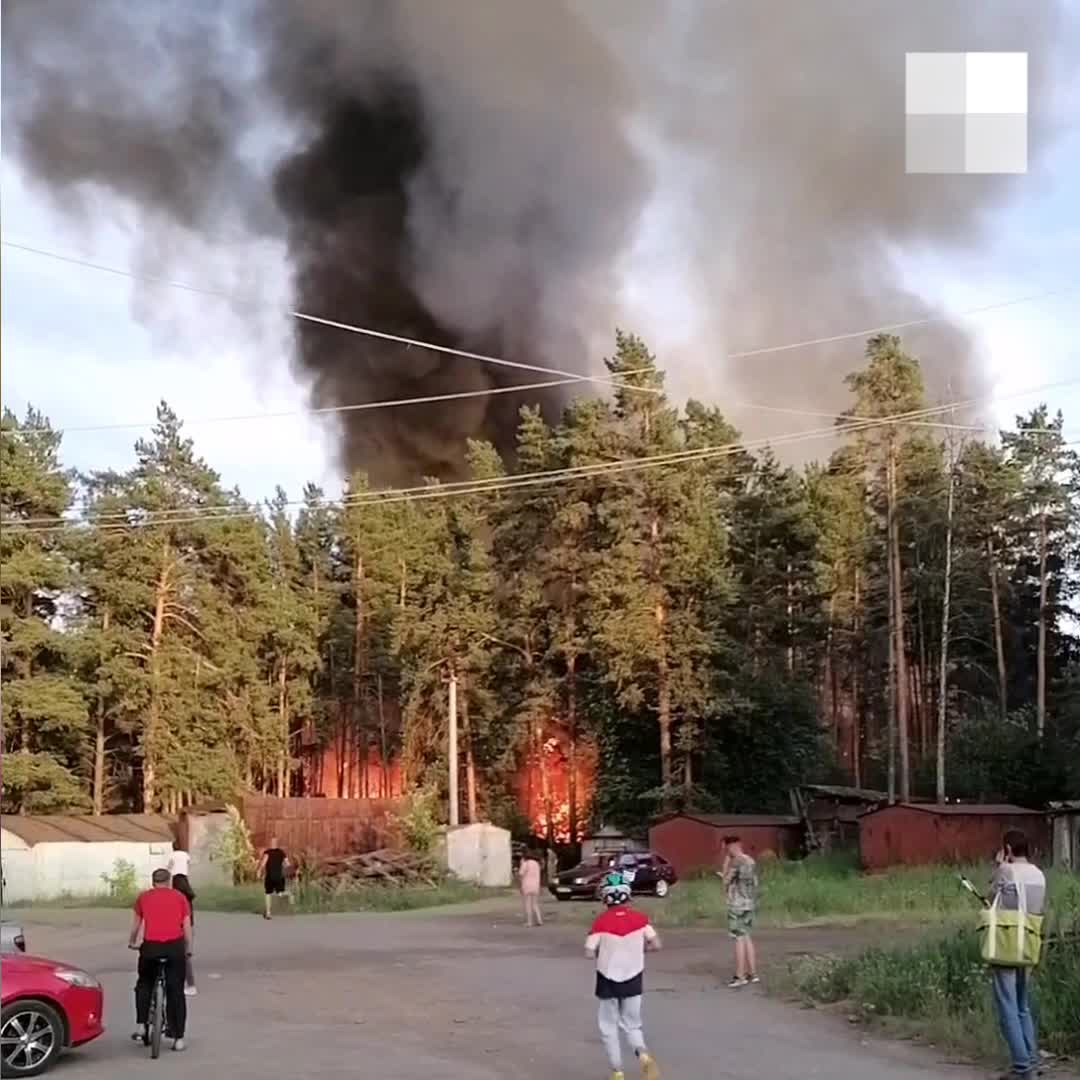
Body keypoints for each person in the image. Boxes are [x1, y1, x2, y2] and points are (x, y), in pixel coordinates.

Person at [585, 874, 661, 1080]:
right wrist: (639, 950)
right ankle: (642, 1054)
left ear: (605, 898)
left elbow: (589, 952)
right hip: (634, 977)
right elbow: (656, 944)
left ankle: (617, 1071)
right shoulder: (640, 920)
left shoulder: (600, 922)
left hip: (607, 979)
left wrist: (605, 952)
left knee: (608, 1026)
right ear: (628, 896)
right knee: (632, 1023)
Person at [989, 829, 1046, 1080]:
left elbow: (992, 899)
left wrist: (999, 866)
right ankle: (1031, 1060)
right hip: (1029, 942)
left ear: (1009, 849)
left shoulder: (1006, 871)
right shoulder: (1039, 874)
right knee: (1022, 1005)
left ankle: (1023, 1068)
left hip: (1007, 943)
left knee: (1007, 1007)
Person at [129, 867, 192, 1052]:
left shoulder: (143, 897)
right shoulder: (180, 897)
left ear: (153, 882)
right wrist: (188, 949)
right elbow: (187, 927)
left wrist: (132, 942)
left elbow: (135, 925)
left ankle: (141, 1024)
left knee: (144, 983)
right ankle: (178, 1039)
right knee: (176, 992)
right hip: (175, 948)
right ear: (169, 881)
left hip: (150, 948)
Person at [719, 835, 759, 988]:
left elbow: (725, 883)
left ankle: (739, 976)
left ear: (730, 846)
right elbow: (755, 882)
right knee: (747, 936)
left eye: (726, 848)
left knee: (738, 938)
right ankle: (753, 973)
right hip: (749, 903)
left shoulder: (736, 861)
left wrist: (725, 865)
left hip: (736, 904)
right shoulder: (750, 860)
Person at [168, 846, 197, 996]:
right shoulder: (187, 894)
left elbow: (168, 868)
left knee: (175, 954)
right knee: (184, 955)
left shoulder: (176, 894)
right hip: (187, 926)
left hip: (179, 927)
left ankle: (188, 985)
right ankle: (189, 984)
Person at [257, 837, 289, 920]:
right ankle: (288, 897)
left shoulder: (267, 852)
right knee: (280, 894)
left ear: (270, 843)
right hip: (279, 876)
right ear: (277, 843)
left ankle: (268, 913)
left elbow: (263, 863)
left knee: (268, 894)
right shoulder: (282, 852)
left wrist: (259, 871)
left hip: (270, 876)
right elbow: (287, 864)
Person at [518, 849, 544, 927]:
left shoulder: (525, 863)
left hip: (527, 885)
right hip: (536, 886)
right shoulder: (536, 864)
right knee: (535, 904)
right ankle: (539, 920)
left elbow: (521, 874)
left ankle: (529, 922)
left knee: (528, 904)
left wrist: (521, 864)